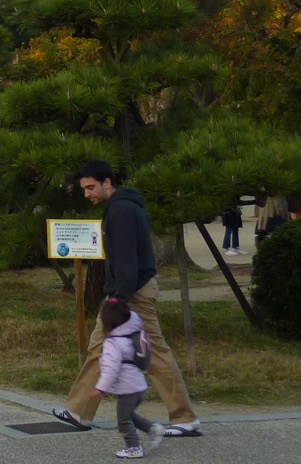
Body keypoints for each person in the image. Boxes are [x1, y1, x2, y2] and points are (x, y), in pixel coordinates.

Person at [53, 160, 200, 438]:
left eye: (91, 187)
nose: (88, 194)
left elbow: (127, 260)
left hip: (132, 295)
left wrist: (117, 300)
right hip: (126, 292)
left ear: (107, 182)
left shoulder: (120, 210)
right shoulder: (121, 207)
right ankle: (79, 411)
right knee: (100, 349)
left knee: (154, 354)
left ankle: (184, 418)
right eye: (84, 189)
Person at [92, 298, 164, 459]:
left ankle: (133, 447)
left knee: (123, 420)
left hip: (127, 389)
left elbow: (111, 369)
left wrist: (100, 388)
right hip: (138, 386)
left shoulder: (113, 343)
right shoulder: (132, 333)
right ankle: (153, 428)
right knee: (129, 415)